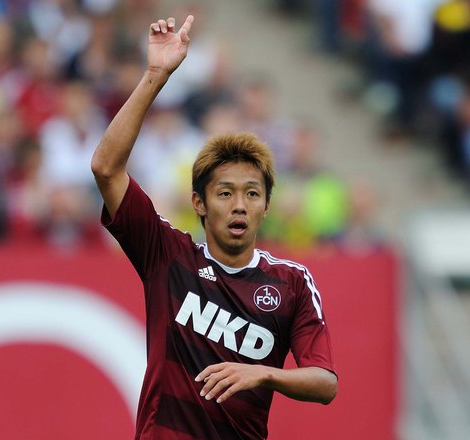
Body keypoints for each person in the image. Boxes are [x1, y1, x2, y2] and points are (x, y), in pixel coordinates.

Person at [91, 15, 337, 439]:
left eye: (252, 194)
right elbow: (106, 168)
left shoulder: (292, 282)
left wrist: (264, 374)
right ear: (199, 204)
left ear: (266, 206)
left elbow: (325, 381)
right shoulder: (167, 256)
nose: (239, 205)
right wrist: (155, 76)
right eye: (225, 193)